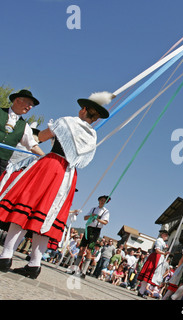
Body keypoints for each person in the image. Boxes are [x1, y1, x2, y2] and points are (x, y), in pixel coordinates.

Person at [0, 91, 111, 279]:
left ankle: (5, 256)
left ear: (84, 110)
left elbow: (41, 136)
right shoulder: (92, 135)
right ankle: (34, 265)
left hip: (50, 166)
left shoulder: (67, 121)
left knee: (26, 205)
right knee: (47, 215)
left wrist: (33, 138)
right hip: (68, 175)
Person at [0, 89, 45, 175]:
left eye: (32, 105)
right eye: (29, 103)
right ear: (17, 100)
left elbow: (32, 146)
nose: (30, 107)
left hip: (1, 164)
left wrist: (46, 157)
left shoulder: (24, 126)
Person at [74, 195, 111, 277]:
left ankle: (83, 271)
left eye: (104, 201)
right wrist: (92, 215)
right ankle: (75, 268)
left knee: (89, 250)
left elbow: (105, 222)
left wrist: (98, 219)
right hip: (88, 229)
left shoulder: (106, 211)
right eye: (101, 200)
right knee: (81, 249)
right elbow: (85, 218)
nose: (102, 202)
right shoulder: (93, 209)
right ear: (99, 200)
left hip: (96, 231)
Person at [137, 230, 170, 297]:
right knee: (148, 274)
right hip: (155, 258)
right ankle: (141, 291)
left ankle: (142, 291)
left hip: (158, 258)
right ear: (162, 234)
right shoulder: (159, 240)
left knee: (151, 275)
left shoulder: (162, 242)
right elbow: (157, 250)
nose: (167, 236)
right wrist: (164, 253)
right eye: (166, 235)